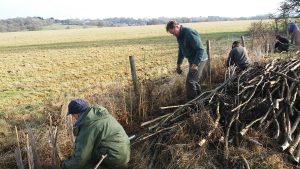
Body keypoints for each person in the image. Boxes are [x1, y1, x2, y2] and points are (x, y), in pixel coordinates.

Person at [61, 99, 130, 169]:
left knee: (86, 158)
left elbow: (80, 159)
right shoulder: (99, 115)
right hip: (124, 155)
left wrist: (64, 165)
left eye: (73, 115)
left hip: (114, 160)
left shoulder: (88, 125)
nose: (74, 118)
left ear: (77, 114)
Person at [166, 20, 208, 101]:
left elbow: (201, 50)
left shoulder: (189, 33)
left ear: (177, 26)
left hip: (200, 59)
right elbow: (181, 50)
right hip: (192, 60)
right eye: (172, 34)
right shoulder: (179, 36)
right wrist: (178, 64)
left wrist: (195, 64)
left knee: (190, 82)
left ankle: (193, 104)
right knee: (194, 81)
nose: (173, 35)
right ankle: (201, 100)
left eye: (173, 32)